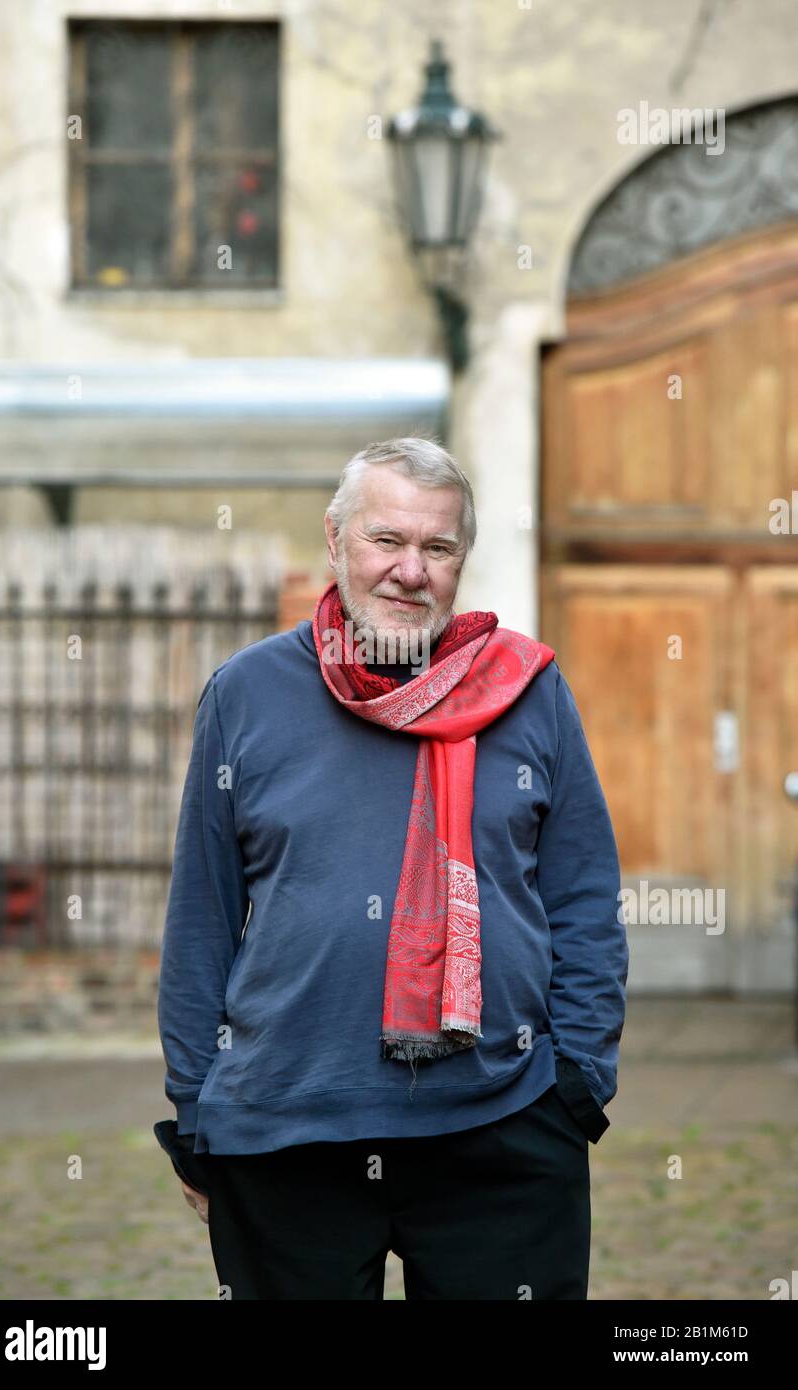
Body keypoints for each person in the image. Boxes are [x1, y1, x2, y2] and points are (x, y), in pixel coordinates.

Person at [154, 436, 628, 1300]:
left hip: (503, 1122)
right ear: (334, 541)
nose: (410, 571)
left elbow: (583, 897)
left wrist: (576, 1085)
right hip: (288, 1130)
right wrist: (195, 1111)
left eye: (437, 548)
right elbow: (201, 918)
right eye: (386, 541)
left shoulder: (525, 689)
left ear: (459, 562)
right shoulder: (247, 694)